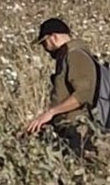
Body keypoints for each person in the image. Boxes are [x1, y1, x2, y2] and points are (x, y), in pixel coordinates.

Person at [19, 18, 99, 157]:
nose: (45, 48)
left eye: (44, 42)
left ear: (54, 37)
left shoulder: (75, 55)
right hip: (72, 129)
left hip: (79, 131)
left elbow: (83, 95)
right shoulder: (70, 55)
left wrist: (51, 113)